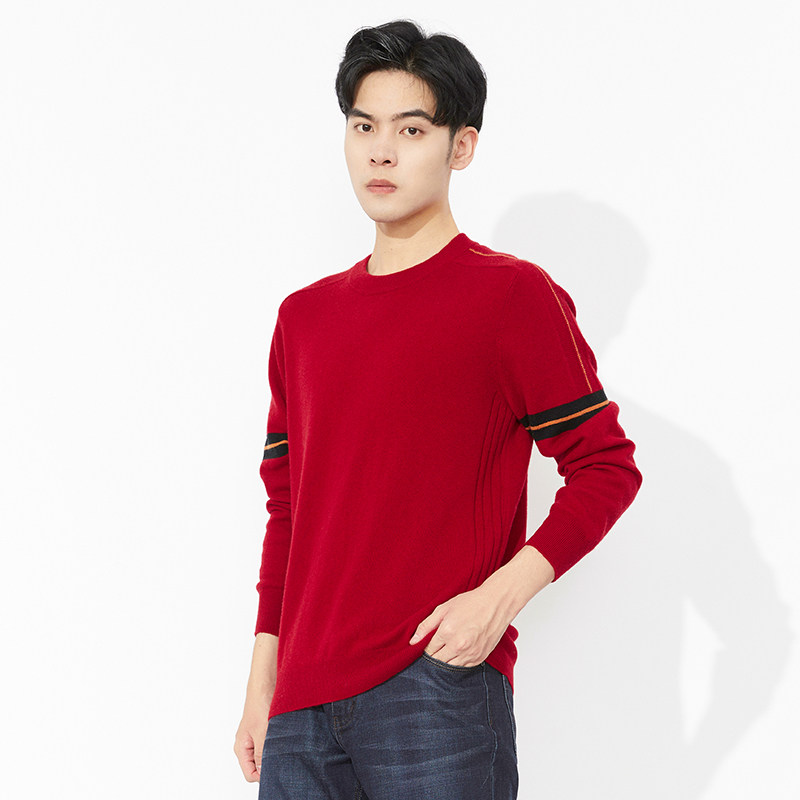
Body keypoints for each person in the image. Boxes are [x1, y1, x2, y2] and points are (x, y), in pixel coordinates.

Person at [234, 18, 642, 799]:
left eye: (411, 129)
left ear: (462, 146)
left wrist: (499, 599)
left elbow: (605, 466)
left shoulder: (511, 296)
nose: (381, 152)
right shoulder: (303, 318)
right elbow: (289, 511)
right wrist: (263, 684)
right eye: (364, 127)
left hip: (433, 691)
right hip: (300, 710)